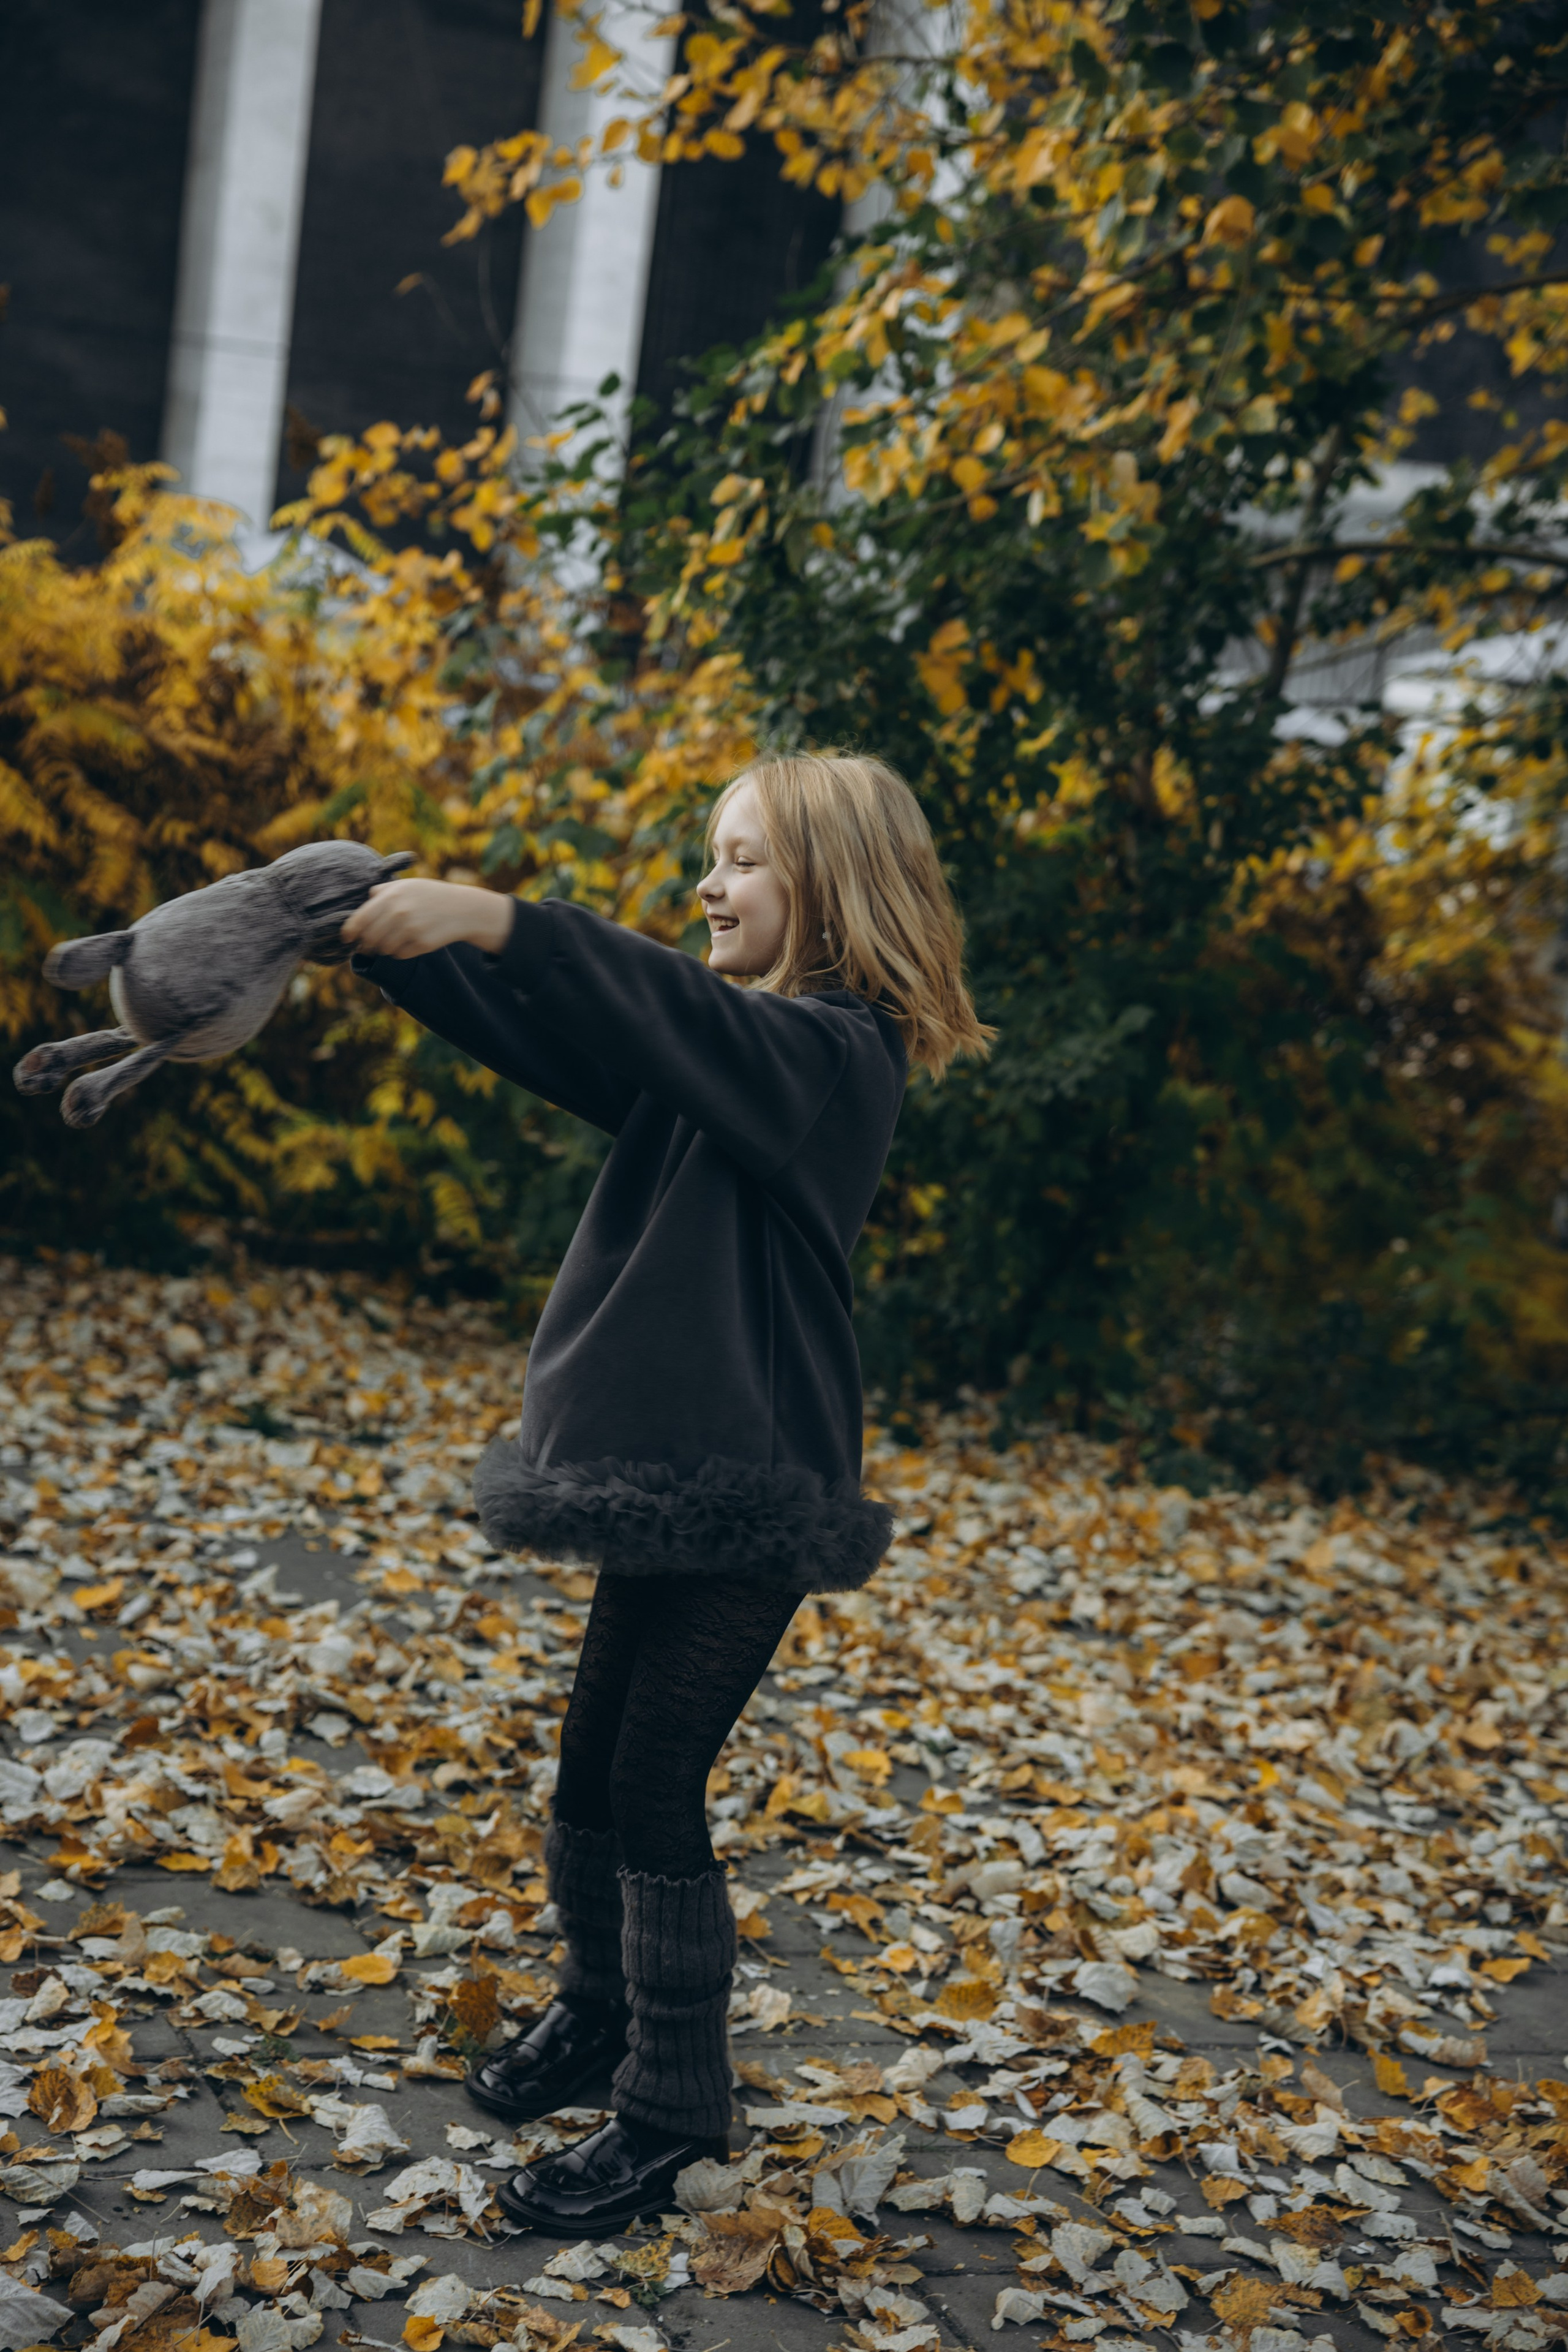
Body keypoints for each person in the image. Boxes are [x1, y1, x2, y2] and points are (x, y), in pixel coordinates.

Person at [341, 752, 991, 2231]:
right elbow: (573, 1036)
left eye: (745, 859)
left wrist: (501, 914)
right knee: (588, 1771)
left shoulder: (829, 1058)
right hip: (668, 1484)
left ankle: (671, 2111)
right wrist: (393, 947)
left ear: (831, 888)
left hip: (755, 1490)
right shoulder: (732, 1053)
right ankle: (596, 2013)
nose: (712, 882)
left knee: (650, 1785)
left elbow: (652, 1004)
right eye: (713, 854)